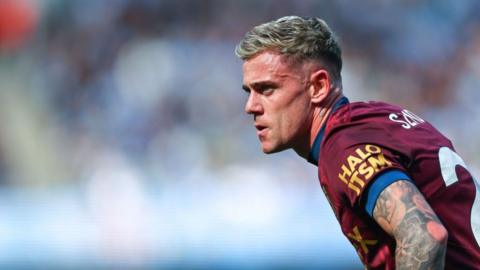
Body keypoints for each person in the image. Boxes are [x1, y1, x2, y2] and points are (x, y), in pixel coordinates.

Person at [235, 16, 480, 270]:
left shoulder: (342, 146)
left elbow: (425, 236)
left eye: (267, 89)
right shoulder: (377, 119)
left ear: (319, 86)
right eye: (249, 91)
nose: (250, 106)